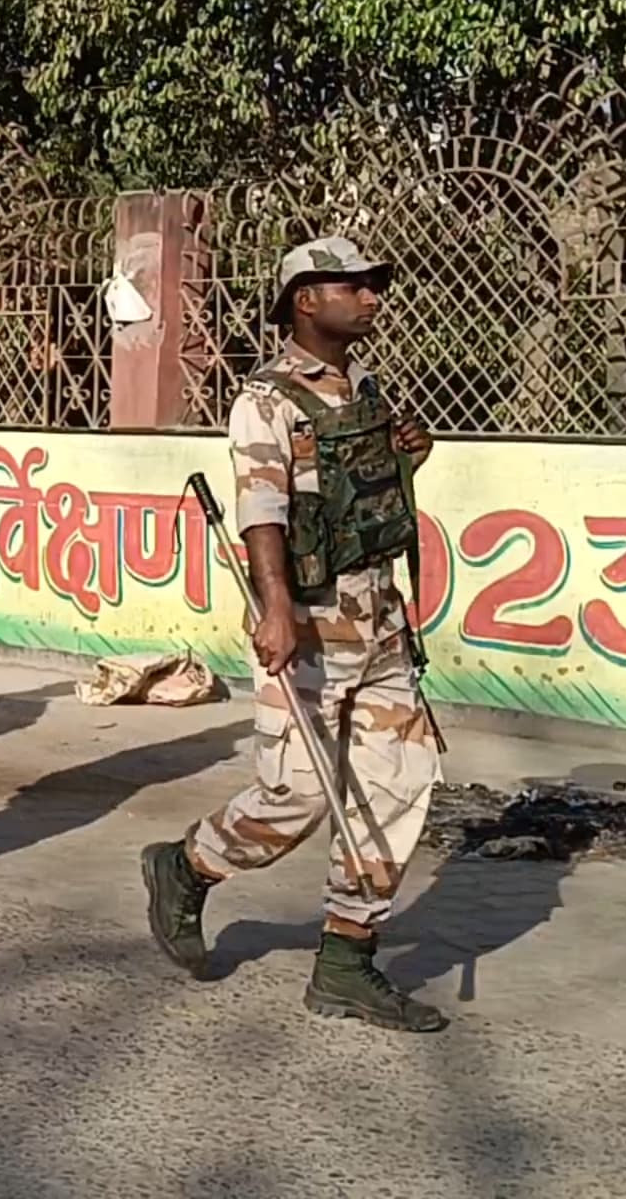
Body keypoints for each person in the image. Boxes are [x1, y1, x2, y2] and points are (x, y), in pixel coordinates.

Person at [139, 235, 447, 1032]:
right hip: (308, 625)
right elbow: (263, 513)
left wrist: (412, 455)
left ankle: (347, 959)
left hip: (380, 623)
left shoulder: (364, 387)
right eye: (356, 286)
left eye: (375, 285)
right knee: (297, 794)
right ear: (306, 300)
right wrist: (275, 608)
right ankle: (189, 864)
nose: (373, 297)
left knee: (398, 785)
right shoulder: (266, 402)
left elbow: (363, 501)